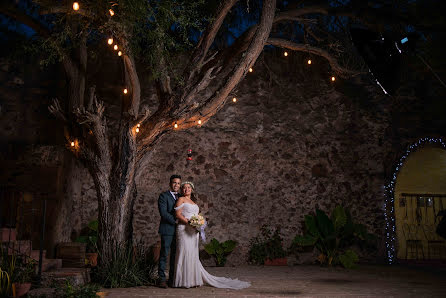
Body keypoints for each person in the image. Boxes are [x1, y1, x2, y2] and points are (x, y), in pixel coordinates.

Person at [173, 181, 250, 289]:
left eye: (189, 187)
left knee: (192, 254)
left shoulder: (193, 201)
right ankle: (183, 281)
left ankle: (193, 279)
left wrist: (199, 223)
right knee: (184, 252)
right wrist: (189, 223)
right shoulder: (181, 199)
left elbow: (196, 215)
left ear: (192, 189)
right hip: (184, 229)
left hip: (193, 231)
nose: (187, 189)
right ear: (182, 190)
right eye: (184, 188)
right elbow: (177, 214)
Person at [157, 174, 181, 288]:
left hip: (180, 232)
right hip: (167, 229)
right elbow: (163, 213)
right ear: (170, 183)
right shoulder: (163, 196)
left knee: (175, 256)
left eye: (178, 183)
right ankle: (161, 279)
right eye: (174, 182)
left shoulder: (181, 197)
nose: (176, 185)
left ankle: (172, 279)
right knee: (164, 254)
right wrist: (175, 221)